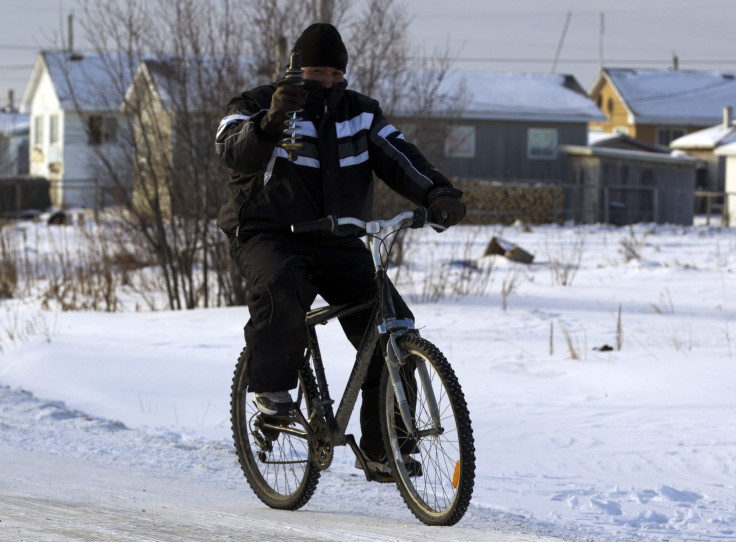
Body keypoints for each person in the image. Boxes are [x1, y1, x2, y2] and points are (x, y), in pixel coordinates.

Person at [215, 23, 465, 474]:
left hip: (338, 236)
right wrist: (271, 121)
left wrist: (437, 193)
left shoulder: (360, 113)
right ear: (294, 68)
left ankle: (382, 444)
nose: (326, 81)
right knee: (280, 287)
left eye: (334, 72)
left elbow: (399, 155)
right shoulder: (255, 103)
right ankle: (271, 392)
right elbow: (232, 151)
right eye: (316, 70)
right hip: (270, 233)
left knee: (391, 322)